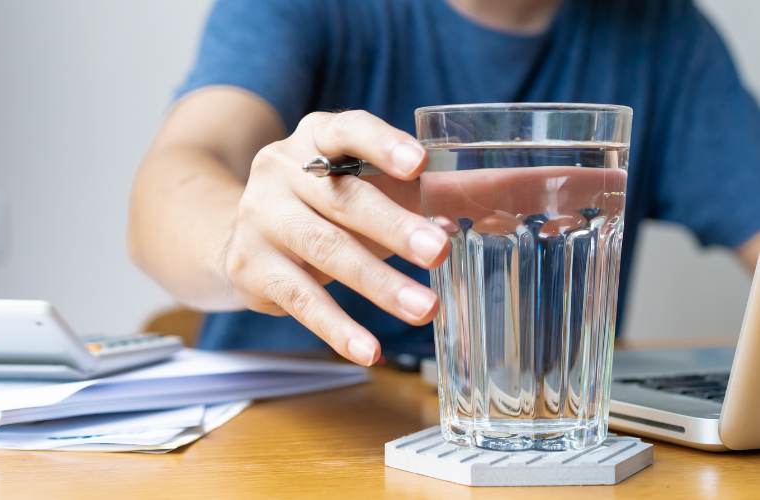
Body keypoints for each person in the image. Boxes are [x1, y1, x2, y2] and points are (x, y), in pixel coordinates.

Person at [128, 0, 760, 366]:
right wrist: (235, 241)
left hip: (538, 452)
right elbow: (172, 180)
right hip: (285, 441)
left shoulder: (666, 34)